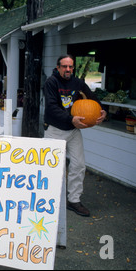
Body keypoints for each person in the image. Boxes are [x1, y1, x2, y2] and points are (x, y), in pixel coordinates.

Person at [43, 55, 106, 217]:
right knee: (51, 166)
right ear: (58, 67)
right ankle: (46, 199)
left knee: (78, 165)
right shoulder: (51, 82)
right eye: (64, 66)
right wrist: (70, 118)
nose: (68, 70)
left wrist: (102, 110)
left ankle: (74, 200)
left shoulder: (77, 83)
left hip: (73, 131)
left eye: (70, 67)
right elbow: (51, 108)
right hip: (55, 130)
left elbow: (92, 99)